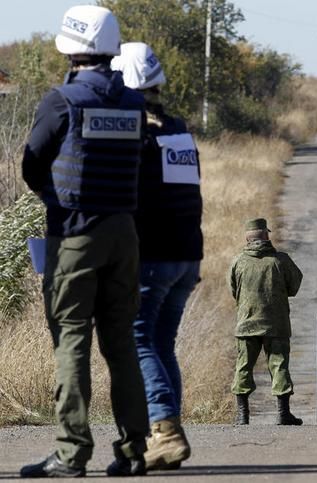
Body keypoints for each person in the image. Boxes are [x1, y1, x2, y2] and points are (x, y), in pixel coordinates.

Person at [20, 6, 149, 478]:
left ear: (71, 49)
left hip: (74, 234)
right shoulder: (135, 104)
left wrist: (55, 198)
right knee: (121, 345)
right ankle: (135, 452)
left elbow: (31, 165)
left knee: (72, 342)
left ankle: (71, 454)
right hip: (124, 234)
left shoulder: (62, 101)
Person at [111, 42, 202, 470]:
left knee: (138, 339)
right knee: (162, 343)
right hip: (187, 256)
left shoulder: (136, 133)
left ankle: (164, 430)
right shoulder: (178, 127)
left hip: (153, 256)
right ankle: (167, 439)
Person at [228, 218, 303, 425]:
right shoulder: (281, 260)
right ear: (266, 236)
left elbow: (234, 291)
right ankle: (283, 414)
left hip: (246, 325)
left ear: (247, 238)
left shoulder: (238, 262)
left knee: (243, 367)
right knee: (279, 367)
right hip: (276, 324)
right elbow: (294, 287)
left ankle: (242, 415)